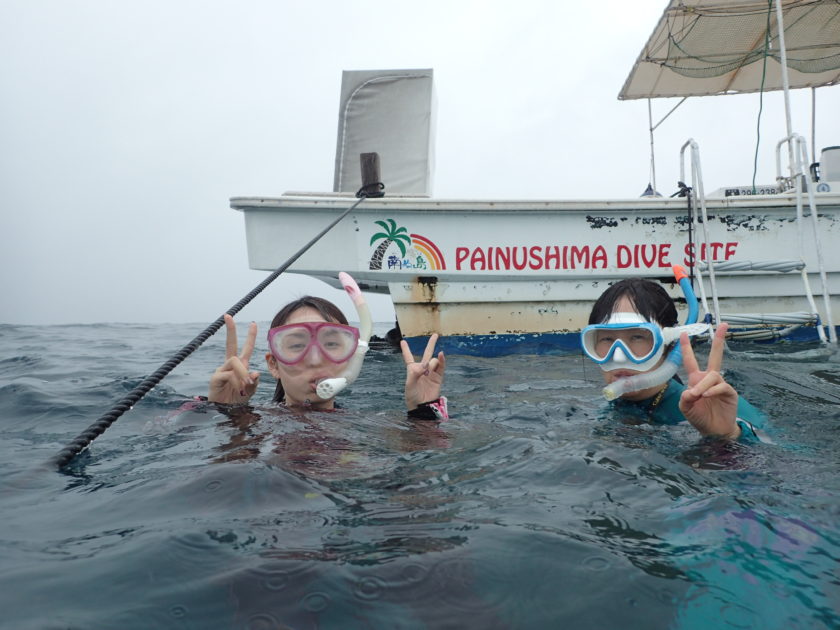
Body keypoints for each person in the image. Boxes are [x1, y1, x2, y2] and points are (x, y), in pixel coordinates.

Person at [208, 273, 446, 420]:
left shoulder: (368, 425)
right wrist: (223, 411)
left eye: (332, 344)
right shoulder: (255, 421)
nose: (314, 359)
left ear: (351, 358)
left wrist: (423, 411)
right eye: (296, 345)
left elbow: (422, 484)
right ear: (274, 365)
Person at [581, 272, 766, 442]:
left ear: (669, 344)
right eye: (606, 339)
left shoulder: (717, 407)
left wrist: (728, 436)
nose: (619, 356)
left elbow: (784, 467)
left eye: (637, 337)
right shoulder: (610, 408)